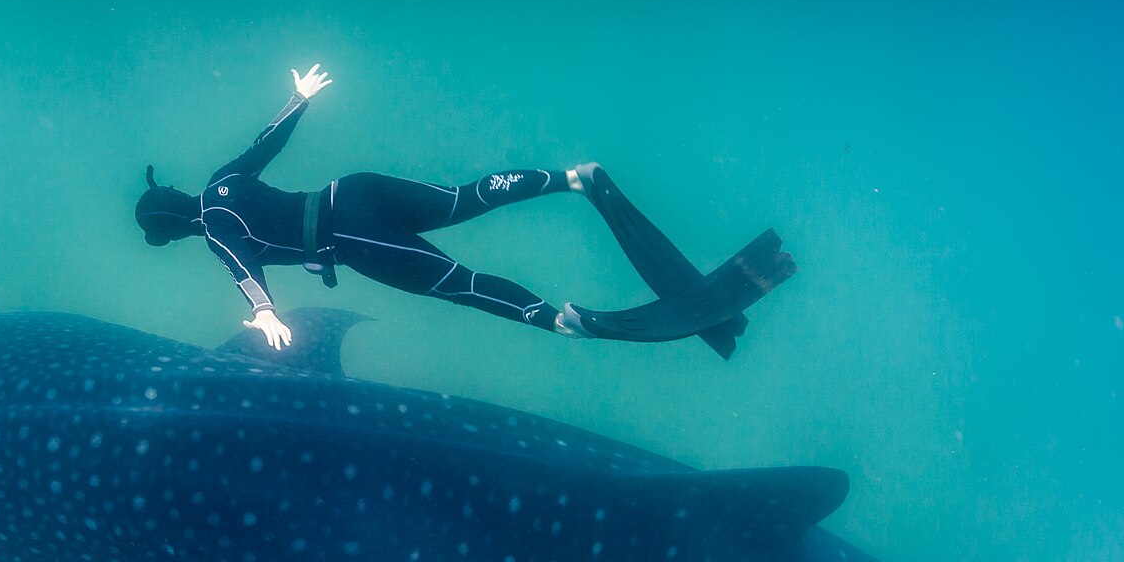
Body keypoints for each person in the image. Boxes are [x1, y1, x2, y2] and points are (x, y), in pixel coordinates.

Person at [135, 65, 794, 356]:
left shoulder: (213, 226)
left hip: (350, 237)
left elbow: (241, 266)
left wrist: (264, 311)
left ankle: (559, 322)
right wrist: (299, 97)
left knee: (463, 286)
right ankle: (572, 178)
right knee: (463, 199)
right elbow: (266, 143)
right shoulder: (221, 183)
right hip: (353, 191)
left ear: (169, 233)